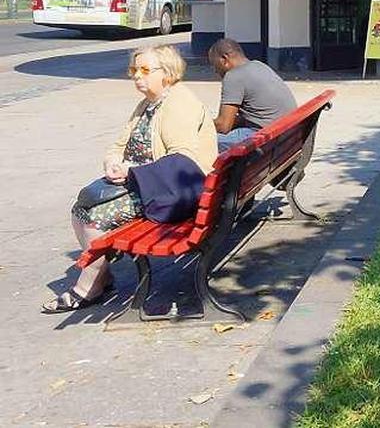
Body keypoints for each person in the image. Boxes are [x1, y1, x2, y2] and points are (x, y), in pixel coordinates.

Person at [42, 45, 217, 313]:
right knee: (83, 205)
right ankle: (100, 275)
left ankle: (90, 285)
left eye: (145, 70)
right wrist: (114, 163)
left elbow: (182, 160)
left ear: (167, 73)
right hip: (146, 183)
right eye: (134, 70)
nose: (137, 76)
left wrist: (131, 171)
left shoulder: (179, 104)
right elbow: (118, 144)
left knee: (92, 215)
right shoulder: (148, 103)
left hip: (173, 192)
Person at [207, 38, 297, 151]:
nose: (215, 71)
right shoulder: (259, 65)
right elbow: (254, 115)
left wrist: (197, 126)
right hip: (286, 136)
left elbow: (224, 126)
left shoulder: (234, 76)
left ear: (224, 59)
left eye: (215, 65)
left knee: (200, 141)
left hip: (266, 141)